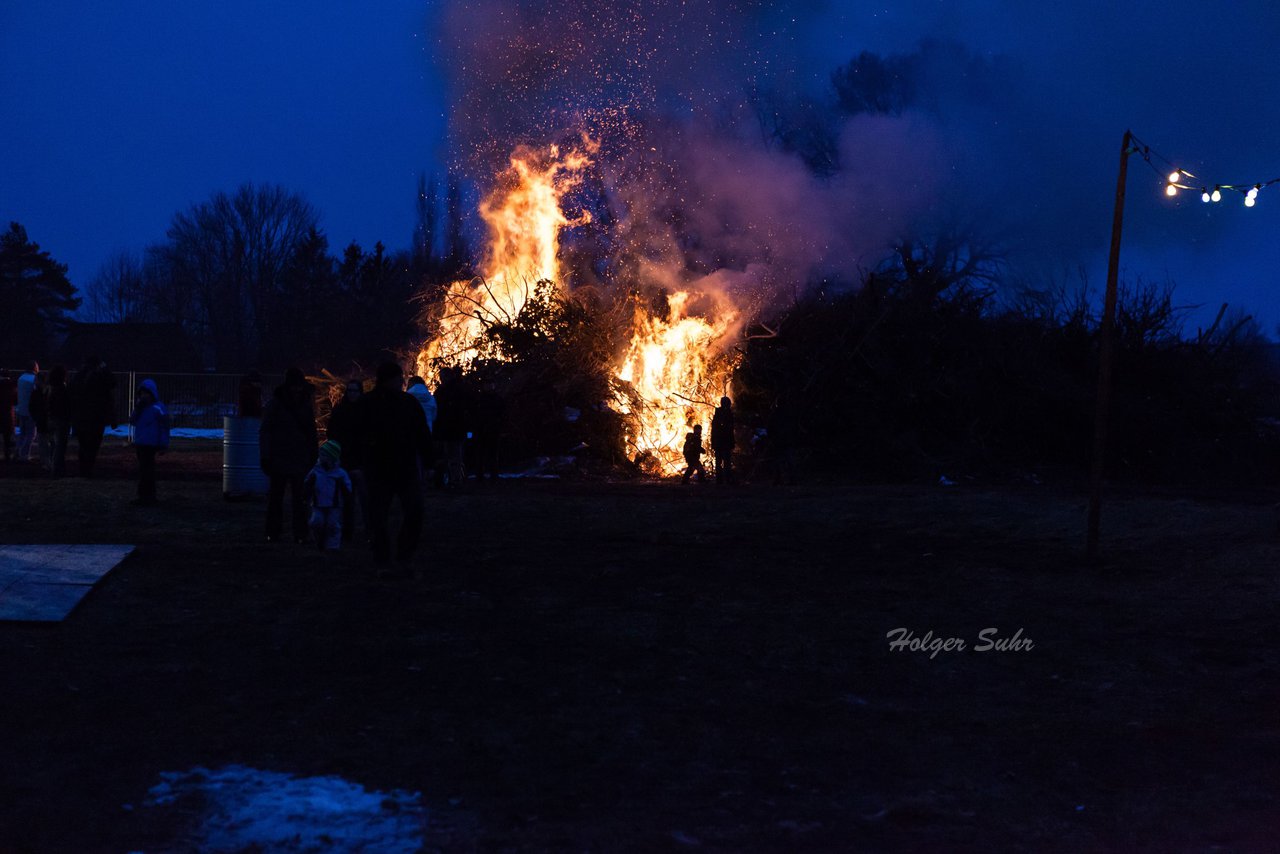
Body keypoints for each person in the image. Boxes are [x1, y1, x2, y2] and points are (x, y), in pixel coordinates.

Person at [353, 361, 433, 575]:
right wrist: (357, 462)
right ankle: (383, 559)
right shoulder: (368, 404)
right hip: (379, 469)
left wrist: (430, 462)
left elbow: (422, 433)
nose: (402, 382)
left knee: (414, 511)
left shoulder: (408, 403)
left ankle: (403, 555)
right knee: (378, 516)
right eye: (399, 378)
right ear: (390, 379)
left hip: (402, 468)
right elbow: (356, 435)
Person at [259, 367, 317, 543]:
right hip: (291, 457)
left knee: (282, 498)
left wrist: (266, 455)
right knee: (292, 498)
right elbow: (310, 432)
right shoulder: (301, 404)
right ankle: (296, 533)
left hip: (284, 456)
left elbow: (266, 431)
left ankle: (276, 532)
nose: (297, 389)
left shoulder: (277, 403)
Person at [326, 379, 369, 543]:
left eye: (355, 391)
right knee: (347, 500)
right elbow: (332, 434)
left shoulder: (365, 411)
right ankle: (347, 532)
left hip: (361, 461)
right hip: (344, 460)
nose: (352, 394)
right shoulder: (340, 410)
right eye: (350, 391)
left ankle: (369, 531)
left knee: (365, 500)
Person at [69, 355, 117, 478]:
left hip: (81, 417)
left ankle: (83, 469)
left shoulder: (78, 376)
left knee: (84, 444)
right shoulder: (100, 377)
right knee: (93, 444)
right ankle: (88, 469)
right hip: (96, 417)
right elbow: (112, 383)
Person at [304, 440, 352, 550]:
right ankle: (319, 540)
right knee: (316, 522)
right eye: (320, 454)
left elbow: (348, 489)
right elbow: (307, 483)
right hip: (317, 503)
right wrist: (308, 487)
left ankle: (332, 546)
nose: (321, 457)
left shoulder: (340, 473)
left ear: (332, 457)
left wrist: (345, 492)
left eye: (324, 455)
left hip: (334, 505)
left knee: (332, 524)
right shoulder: (315, 471)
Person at [130, 378, 169, 505]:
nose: (143, 396)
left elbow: (164, 427)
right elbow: (132, 420)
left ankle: (147, 496)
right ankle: (146, 496)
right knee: (145, 470)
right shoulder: (148, 407)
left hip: (149, 443)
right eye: (142, 393)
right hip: (142, 442)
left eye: (145, 393)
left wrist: (163, 443)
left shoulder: (157, 408)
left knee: (147, 470)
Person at [432, 367, 470, 487]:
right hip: (448, 430)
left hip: (453, 429)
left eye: (443, 376)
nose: (442, 379)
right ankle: (449, 480)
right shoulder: (443, 391)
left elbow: (462, 410)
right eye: (441, 377)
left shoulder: (456, 391)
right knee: (449, 457)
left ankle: (455, 480)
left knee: (454, 457)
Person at [473, 378, 505, 482]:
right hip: (481, 430)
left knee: (493, 454)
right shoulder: (480, 399)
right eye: (487, 384)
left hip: (493, 430)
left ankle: (493, 475)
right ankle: (480, 475)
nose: (489, 386)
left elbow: (502, 414)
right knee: (481, 454)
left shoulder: (497, 399)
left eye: (491, 384)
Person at [43, 365, 72, 477]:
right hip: (60, 419)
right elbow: (65, 405)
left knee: (53, 445)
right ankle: (57, 470)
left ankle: (54, 467)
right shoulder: (62, 389)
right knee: (60, 446)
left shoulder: (49, 388)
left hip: (50, 419)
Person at [15, 361, 38, 462]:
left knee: (22, 433)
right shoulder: (34, 379)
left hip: (21, 409)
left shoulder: (21, 378)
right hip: (31, 410)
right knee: (31, 434)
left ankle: (18, 452)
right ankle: (24, 454)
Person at [710, 396, 736, 486]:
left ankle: (724, 480)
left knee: (724, 463)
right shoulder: (720, 415)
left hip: (724, 443)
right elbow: (716, 431)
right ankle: (721, 480)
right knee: (721, 462)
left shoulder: (726, 414)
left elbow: (730, 430)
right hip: (722, 443)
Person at [0, 370, 15, 462]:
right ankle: (7, 456)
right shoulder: (11, 385)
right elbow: (15, 399)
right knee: (7, 437)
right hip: (7, 413)